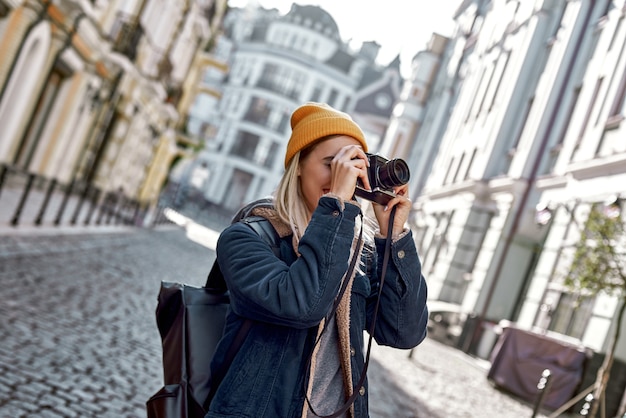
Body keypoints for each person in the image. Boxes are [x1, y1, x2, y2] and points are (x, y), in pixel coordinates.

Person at [207, 102, 428, 418]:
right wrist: (336, 203)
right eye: (331, 163)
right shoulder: (248, 238)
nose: (343, 175)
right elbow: (302, 305)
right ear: (298, 166)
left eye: (350, 165)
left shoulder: (356, 254)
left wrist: (394, 235)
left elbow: (403, 332)